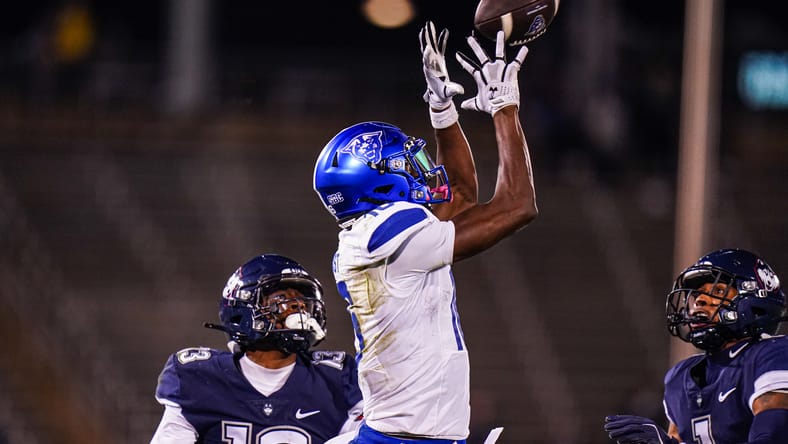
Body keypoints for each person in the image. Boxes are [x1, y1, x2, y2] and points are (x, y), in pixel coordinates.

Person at [312, 21, 537, 443]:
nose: (419, 168)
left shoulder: (372, 235)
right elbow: (516, 207)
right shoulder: (386, 234)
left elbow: (462, 196)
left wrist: (443, 111)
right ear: (374, 180)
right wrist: (505, 109)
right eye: (404, 162)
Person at [151, 253, 363, 444]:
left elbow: (376, 435)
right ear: (242, 309)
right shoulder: (200, 377)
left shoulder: (337, 378)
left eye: (301, 300)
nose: (298, 306)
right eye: (282, 298)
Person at [604, 248, 788, 444]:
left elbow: (772, 437)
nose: (699, 300)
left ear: (755, 298)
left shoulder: (774, 354)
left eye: (717, 291)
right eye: (696, 294)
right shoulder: (679, 377)